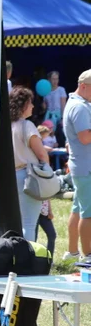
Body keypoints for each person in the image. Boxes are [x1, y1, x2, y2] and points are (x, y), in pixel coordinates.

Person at [11, 86, 51, 241]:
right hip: (29, 177)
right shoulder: (27, 126)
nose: (33, 106)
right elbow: (41, 153)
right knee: (29, 224)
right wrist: (47, 172)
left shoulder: (7, 126)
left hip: (12, 177)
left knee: (18, 223)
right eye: (30, 103)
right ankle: (27, 261)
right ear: (23, 105)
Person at [62, 70, 91, 259]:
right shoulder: (80, 108)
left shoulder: (74, 103)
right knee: (88, 214)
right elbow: (85, 137)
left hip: (80, 165)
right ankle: (88, 255)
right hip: (86, 167)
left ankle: (72, 252)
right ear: (83, 86)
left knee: (77, 209)